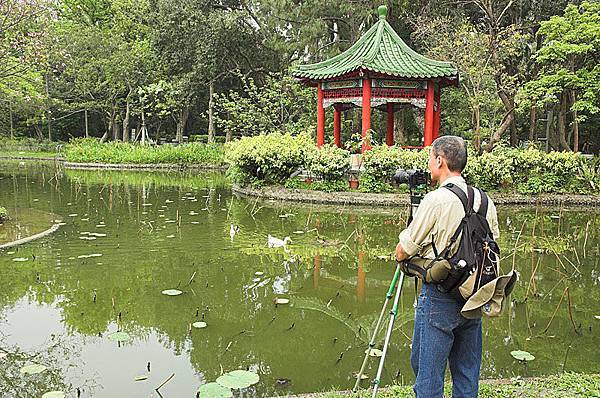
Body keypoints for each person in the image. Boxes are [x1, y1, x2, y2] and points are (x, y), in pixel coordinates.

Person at [394, 136, 500, 398]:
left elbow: (403, 251)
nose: (429, 163)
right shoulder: (484, 200)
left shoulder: (436, 199)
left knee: (428, 377)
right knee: (466, 374)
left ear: (440, 160)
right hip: (474, 296)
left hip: (440, 297)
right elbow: (494, 247)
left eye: (431, 158)